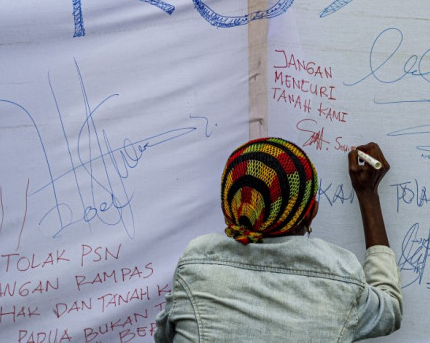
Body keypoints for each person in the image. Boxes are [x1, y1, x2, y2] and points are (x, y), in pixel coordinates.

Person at [155, 137, 402, 342]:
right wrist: (368, 196)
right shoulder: (342, 275)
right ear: (310, 214)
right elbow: (389, 309)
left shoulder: (196, 263)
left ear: (231, 208)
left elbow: (165, 336)